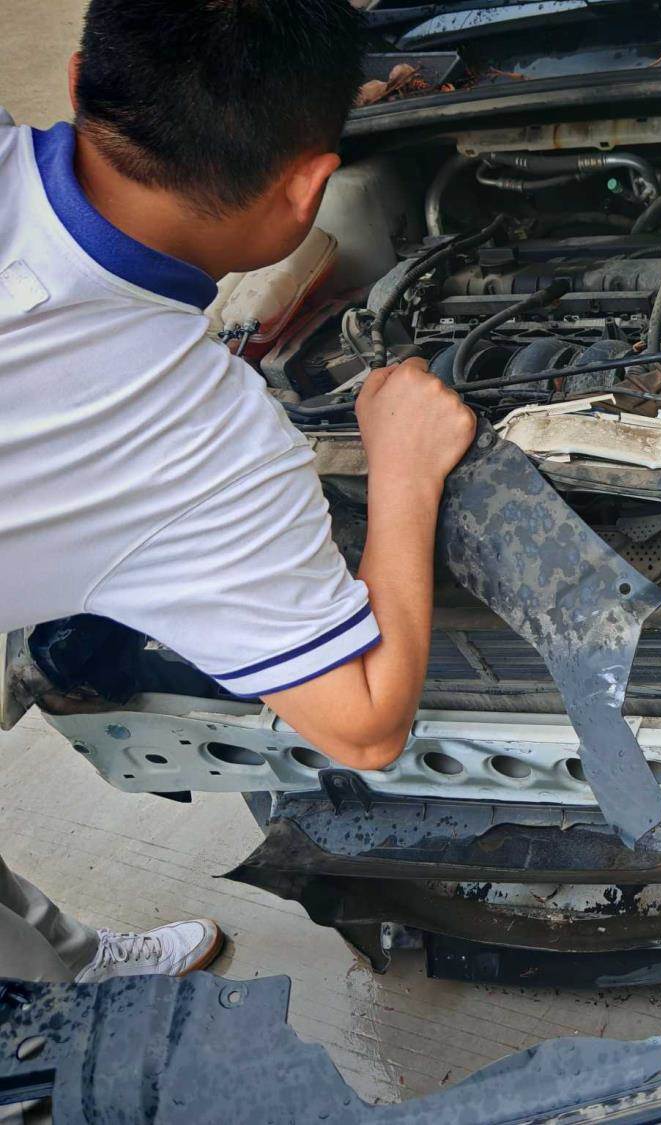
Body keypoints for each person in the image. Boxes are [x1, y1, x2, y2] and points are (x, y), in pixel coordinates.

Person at [0, 0, 475, 982]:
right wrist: (403, 468)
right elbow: (365, 722)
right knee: (23, 1026)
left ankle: (70, 962)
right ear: (309, 187)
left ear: (81, 78)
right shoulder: (192, 445)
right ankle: (44, 1015)